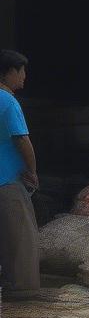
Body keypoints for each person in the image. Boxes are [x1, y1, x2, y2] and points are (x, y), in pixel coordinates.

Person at [0, 49, 40, 301]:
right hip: (7, 181)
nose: (24, 76)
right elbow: (22, 140)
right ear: (9, 72)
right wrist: (33, 172)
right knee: (22, 239)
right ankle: (22, 293)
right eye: (22, 70)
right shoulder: (8, 101)